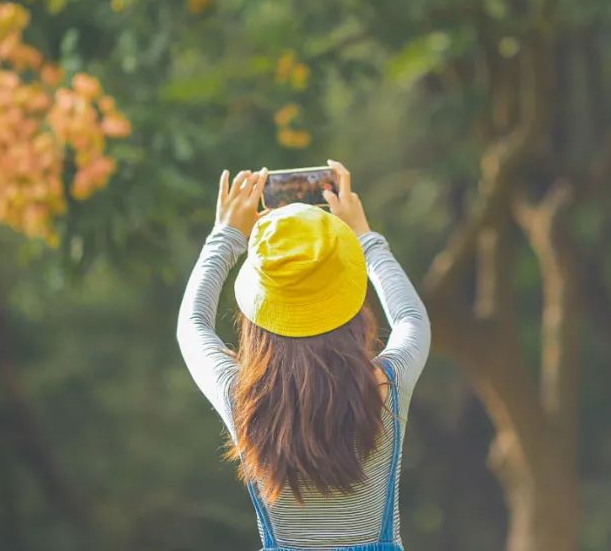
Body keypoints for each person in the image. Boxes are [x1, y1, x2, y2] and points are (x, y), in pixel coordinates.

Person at [177, 159, 431, 550]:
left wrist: (225, 235)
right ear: (347, 299)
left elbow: (192, 324)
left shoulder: (242, 397)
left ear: (259, 310)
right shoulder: (388, 386)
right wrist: (364, 235)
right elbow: (410, 318)